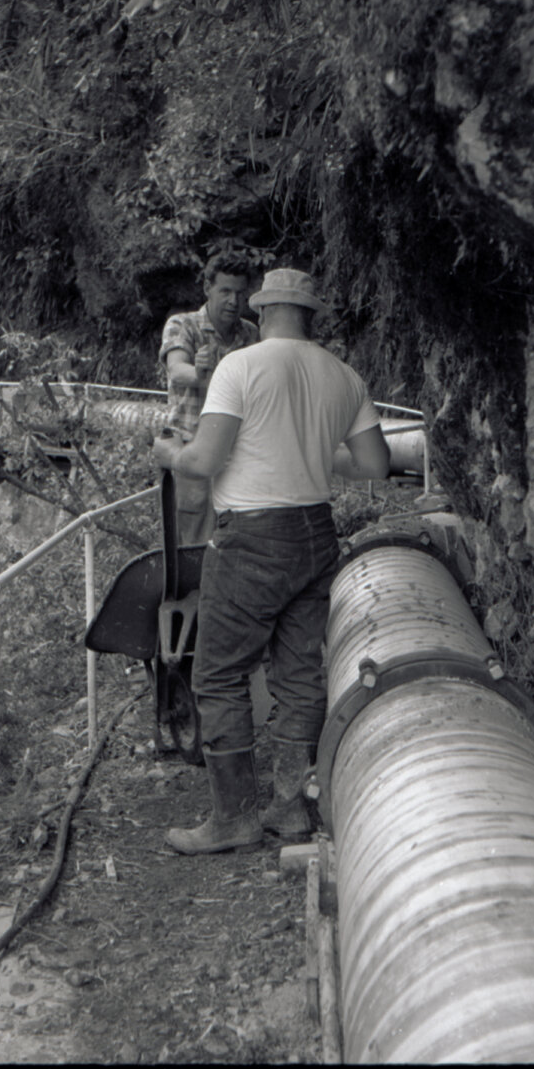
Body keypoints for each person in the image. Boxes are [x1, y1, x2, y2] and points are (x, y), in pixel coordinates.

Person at [152, 267, 391, 854]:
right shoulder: (343, 375)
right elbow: (375, 466)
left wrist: (168, 452)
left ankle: (233, 817)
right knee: (299, 672)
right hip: (316, 534)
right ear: (312, 314)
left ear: (263, 308)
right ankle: (289, 809)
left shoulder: (242, 365)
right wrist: (305, 452)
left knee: (218, 672)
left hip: (253, 536)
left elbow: (205, 461)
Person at [157, 251, 261, 545]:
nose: (233, 301)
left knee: (237, 539)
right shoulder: (183, 325)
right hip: (192, 450)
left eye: (240, 293)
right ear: (207, 289)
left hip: (238, 454)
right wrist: (201, 373)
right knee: (193, 542)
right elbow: (177, 371)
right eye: (225, 291)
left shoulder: (251, 334)